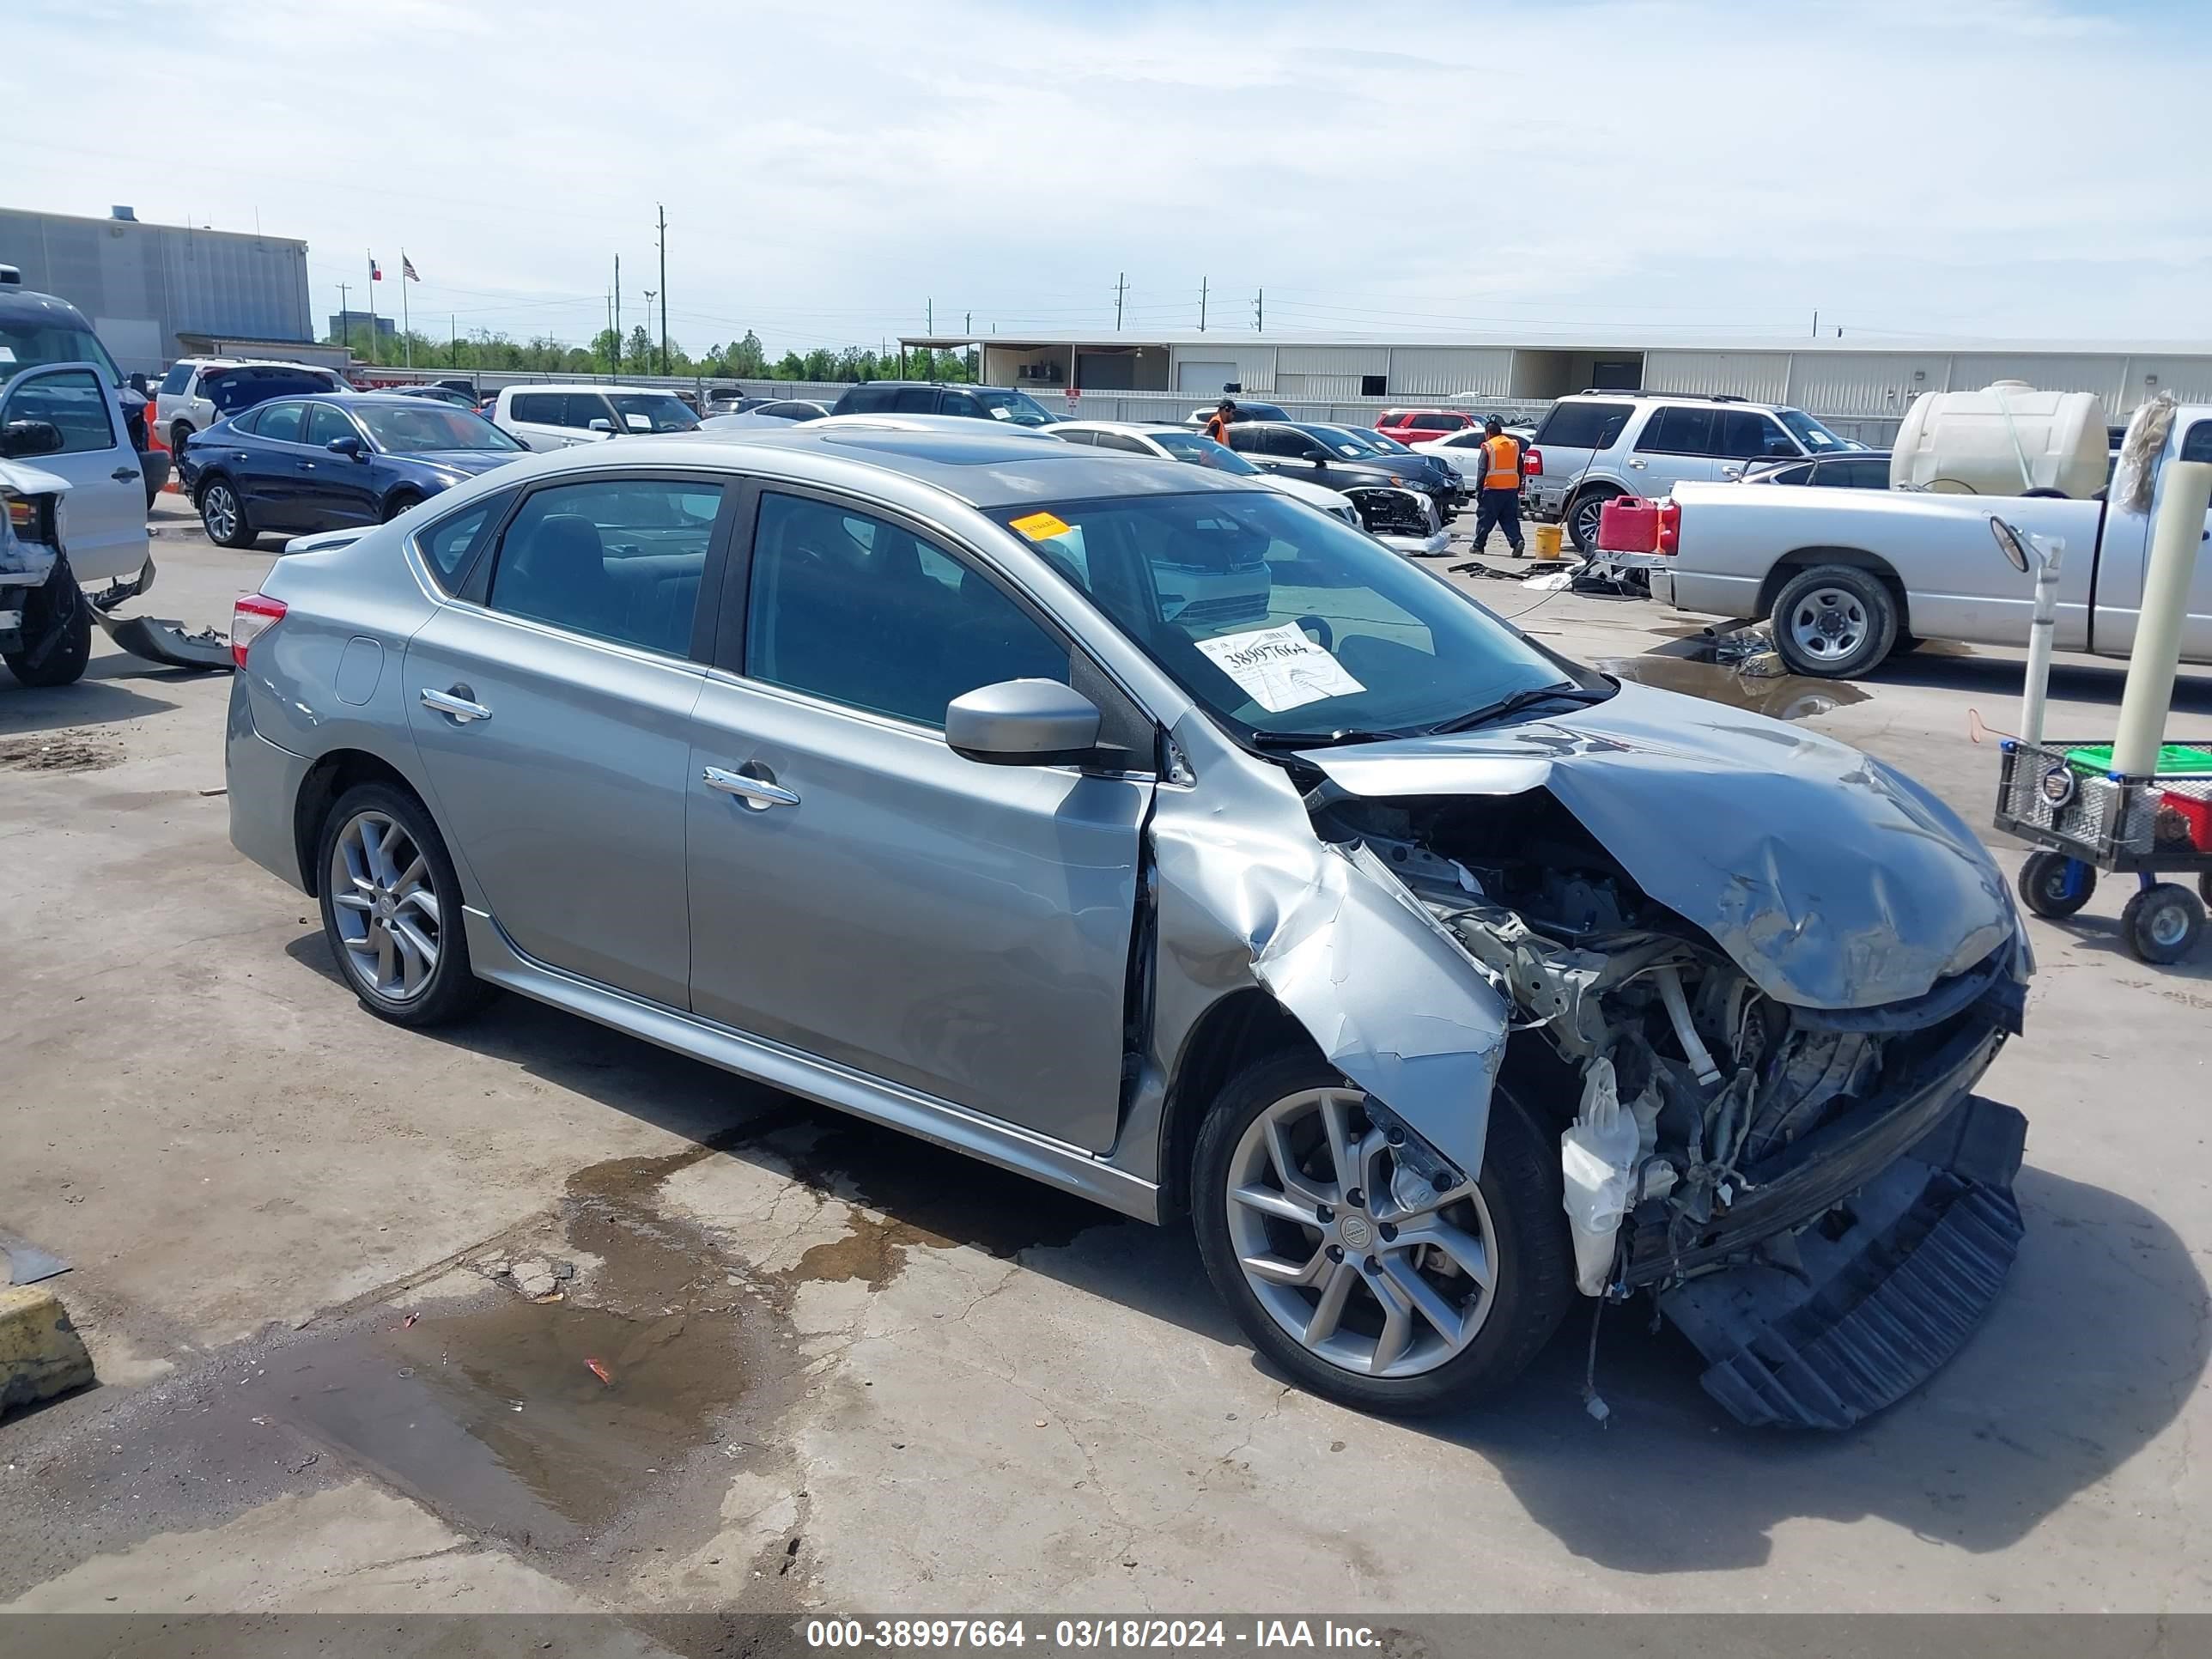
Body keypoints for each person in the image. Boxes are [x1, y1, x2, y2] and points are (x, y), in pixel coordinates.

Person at [1469, 416, 1526, 557]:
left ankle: (1478, 546)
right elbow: (1520, 466)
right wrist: (1518, 486)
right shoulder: (1514, 445)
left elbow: (1482, 470)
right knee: (1509, 518)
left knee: (1486, 518)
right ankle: (1517, 541)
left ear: (1488, 433)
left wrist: (1478, 490)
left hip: (1492, 490)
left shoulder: (1488, 447)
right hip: (1511, 489)